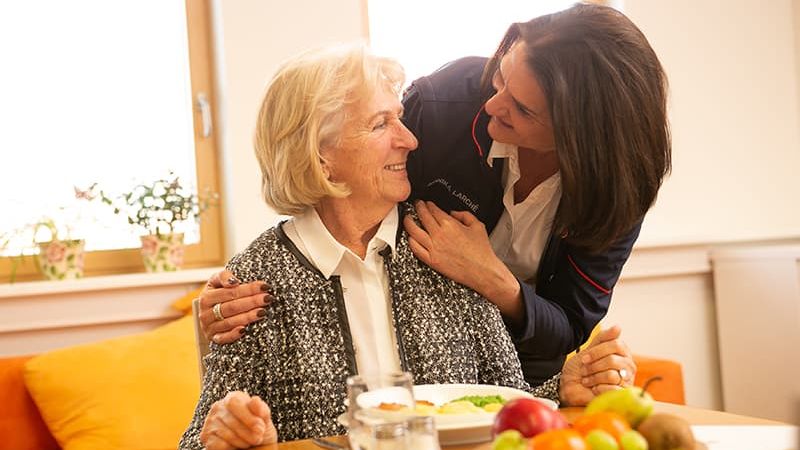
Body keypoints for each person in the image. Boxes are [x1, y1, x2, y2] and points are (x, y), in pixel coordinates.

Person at [197, 3, 665, 389]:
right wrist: (228, 298)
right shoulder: (445, 109)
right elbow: (343, 189)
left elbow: (559, 334)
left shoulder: (618, 184)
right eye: (500, 77)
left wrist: (491, 279)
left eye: (521, 109)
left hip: (527, 359)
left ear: (580, 134)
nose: (491, 106)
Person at [180, 43, 618, 449]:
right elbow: (202, 435)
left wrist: (562, 388)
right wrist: (228, 436)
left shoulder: (448, 249)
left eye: (401, 118)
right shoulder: (254, 283)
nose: (409, 139)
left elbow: (507, 404)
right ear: (320, 156)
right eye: (380, 124)